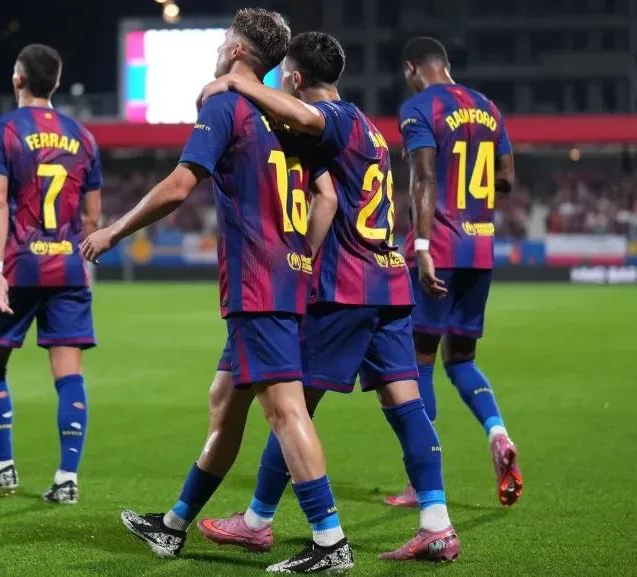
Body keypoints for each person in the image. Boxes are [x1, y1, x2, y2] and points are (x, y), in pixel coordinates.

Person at [81, 9, 354, 574]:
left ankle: (331, 541)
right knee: (224, 401)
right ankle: (175, 526)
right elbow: (326, 193)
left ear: (235, 51)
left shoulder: (226, 104)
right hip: (284, 275)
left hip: (258, 280)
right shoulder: (295, 116)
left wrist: (111, 230)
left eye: (224, 40)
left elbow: (180, 186)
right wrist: (301, 251)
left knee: (284, 409)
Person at [194, 31, 460, 562]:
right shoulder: (371, 128)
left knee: (291, 407)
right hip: (389, 280)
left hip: (347, 286)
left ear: (294, 78)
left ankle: (258, 521)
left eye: (282, 77)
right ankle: (437, 522)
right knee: (404, 405)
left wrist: (235, 84)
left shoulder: (334, 119)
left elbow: (311, 125)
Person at [384, 36, 523, 509]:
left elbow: (423, 177)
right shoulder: (489, 108)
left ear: (412, 68)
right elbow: (505, 178)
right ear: (446, 65)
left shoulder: (419, 108)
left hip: (438, 247)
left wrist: (421, 246)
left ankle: (421, 482)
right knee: (460, 359)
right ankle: (498, 433)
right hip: (479, 246)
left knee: (417, 361)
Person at [0, 43, 103, 505]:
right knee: (68, 376)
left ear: (18, 79)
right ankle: (67, 478)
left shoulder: (2, 130)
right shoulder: (84, 138)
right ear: (57, 84)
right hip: (67, 266)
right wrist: (78, 268)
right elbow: (92, 218)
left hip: (19, 266)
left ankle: (4, 468)